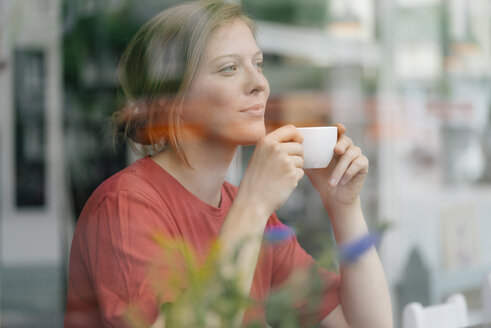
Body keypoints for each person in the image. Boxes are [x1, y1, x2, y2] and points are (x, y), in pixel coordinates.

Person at [64, 0, 393, 327]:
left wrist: (343, 205)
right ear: (172, 100)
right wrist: (254, 202)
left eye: (258, 64)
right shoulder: (125, 205)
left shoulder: (251, 214)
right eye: (229, 68)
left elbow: (360, 324)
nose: (260, 84)